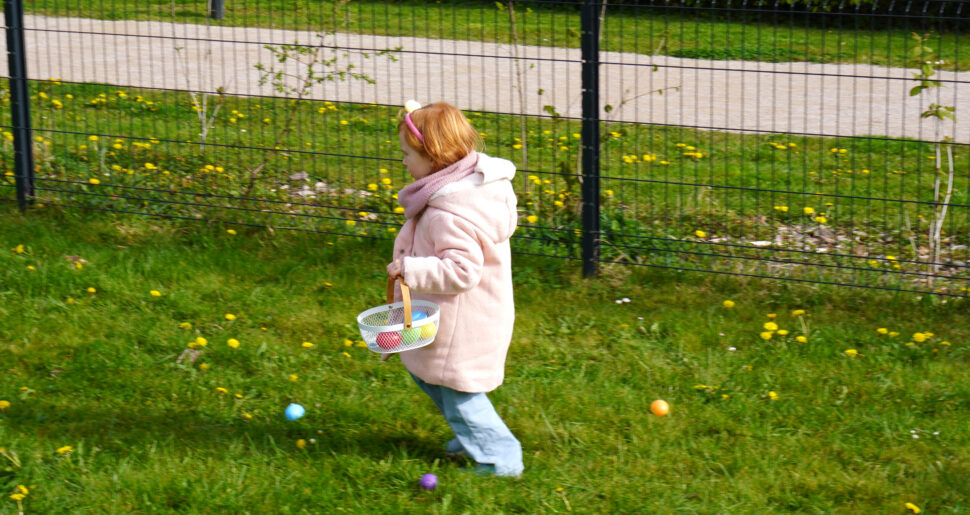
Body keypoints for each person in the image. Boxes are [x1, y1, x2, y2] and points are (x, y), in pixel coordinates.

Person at [384, 100, 523, 478]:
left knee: (458, 394)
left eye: (407, 154)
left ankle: (500, 459)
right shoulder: (463, 188)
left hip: (461, 324)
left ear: (433, 157)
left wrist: (411, 269)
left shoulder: (450, 211)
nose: (403, 162)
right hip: (459, 317)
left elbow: (463, 271)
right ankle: (472, 438)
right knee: (431, 378)